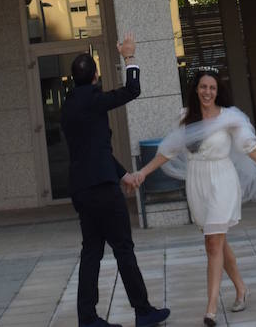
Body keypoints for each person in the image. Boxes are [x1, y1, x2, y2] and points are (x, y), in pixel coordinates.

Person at [131, 68, 256, 326]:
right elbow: (167, 152)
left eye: (212, 88)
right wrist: (143, 173)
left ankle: (211, 309)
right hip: (198, 183)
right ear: (196, 89)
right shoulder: (186, 118)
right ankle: (241, 288)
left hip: (222, 180)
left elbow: (251, 148)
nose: (207, 92)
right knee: (217, 243)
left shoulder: (229, 118)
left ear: (218, 91)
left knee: (213, 244)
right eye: (203, 87)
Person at [61, 35, 170, 327]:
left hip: (82, 190)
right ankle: (143, 311)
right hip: (103, 190)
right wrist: (129, 57)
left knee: (92, 251)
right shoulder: (95, 100)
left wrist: (125, 175)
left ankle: (87, 318)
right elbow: (132, 89)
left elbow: (94, 151)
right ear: (95, 77)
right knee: (123, 248)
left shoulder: (68, 106)